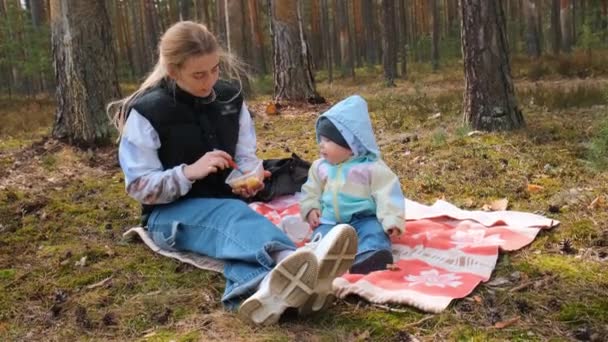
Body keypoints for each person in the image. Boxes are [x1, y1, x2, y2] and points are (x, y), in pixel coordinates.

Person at [107, 21, 356, 325]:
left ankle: (260, 290)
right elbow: (139, 186)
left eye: (215, 69)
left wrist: (249, 179)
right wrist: (189, 173)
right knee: (231, 217)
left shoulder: (229, 98)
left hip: (225, 204)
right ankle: (293, 261)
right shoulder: (147, 112)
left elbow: (245, 157)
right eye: (198, 74)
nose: (209, 80)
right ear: (173, 71)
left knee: (235, 223)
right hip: (167, 215)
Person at [300, 95, 406, 278]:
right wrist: (310, 209)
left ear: (351, 146)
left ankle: (370, 256)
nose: (321, 144)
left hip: (364, 218)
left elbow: (388, 194)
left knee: (374, 233)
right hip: (330, 220)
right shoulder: (320, 167)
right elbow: (311, 190)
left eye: (327, 140)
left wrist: (392, 220)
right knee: (320, 238)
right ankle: (319, 260)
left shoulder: (370, 167)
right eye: (321, 139)